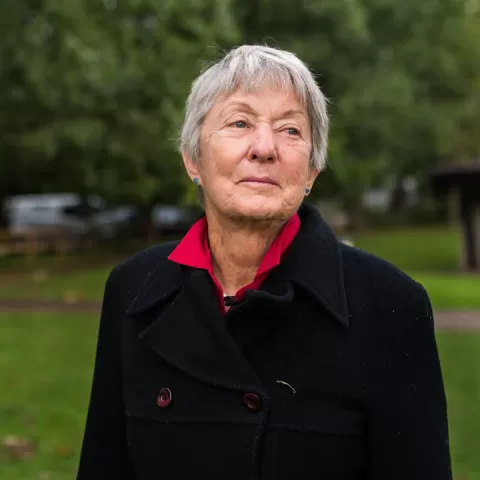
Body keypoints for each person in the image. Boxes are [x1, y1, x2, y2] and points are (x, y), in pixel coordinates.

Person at [77, 45, 452, 480]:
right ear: (192, 158)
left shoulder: (391, 304)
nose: (265, 148)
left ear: (311, 171)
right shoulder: (134, 289)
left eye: (291, 130)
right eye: (239, 122)